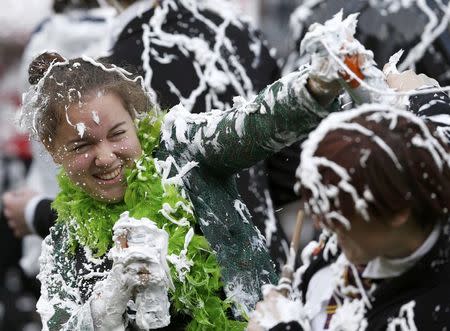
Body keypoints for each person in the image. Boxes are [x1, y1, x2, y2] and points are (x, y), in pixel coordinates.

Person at [21, 47, 343, 330]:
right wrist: (107, 304)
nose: (105, 157)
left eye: (117, 134)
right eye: (82, 146)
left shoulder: (181, 150)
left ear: (134, 119)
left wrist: (313, 88)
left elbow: (248, 126)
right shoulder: (65, 242)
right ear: (53, 150)